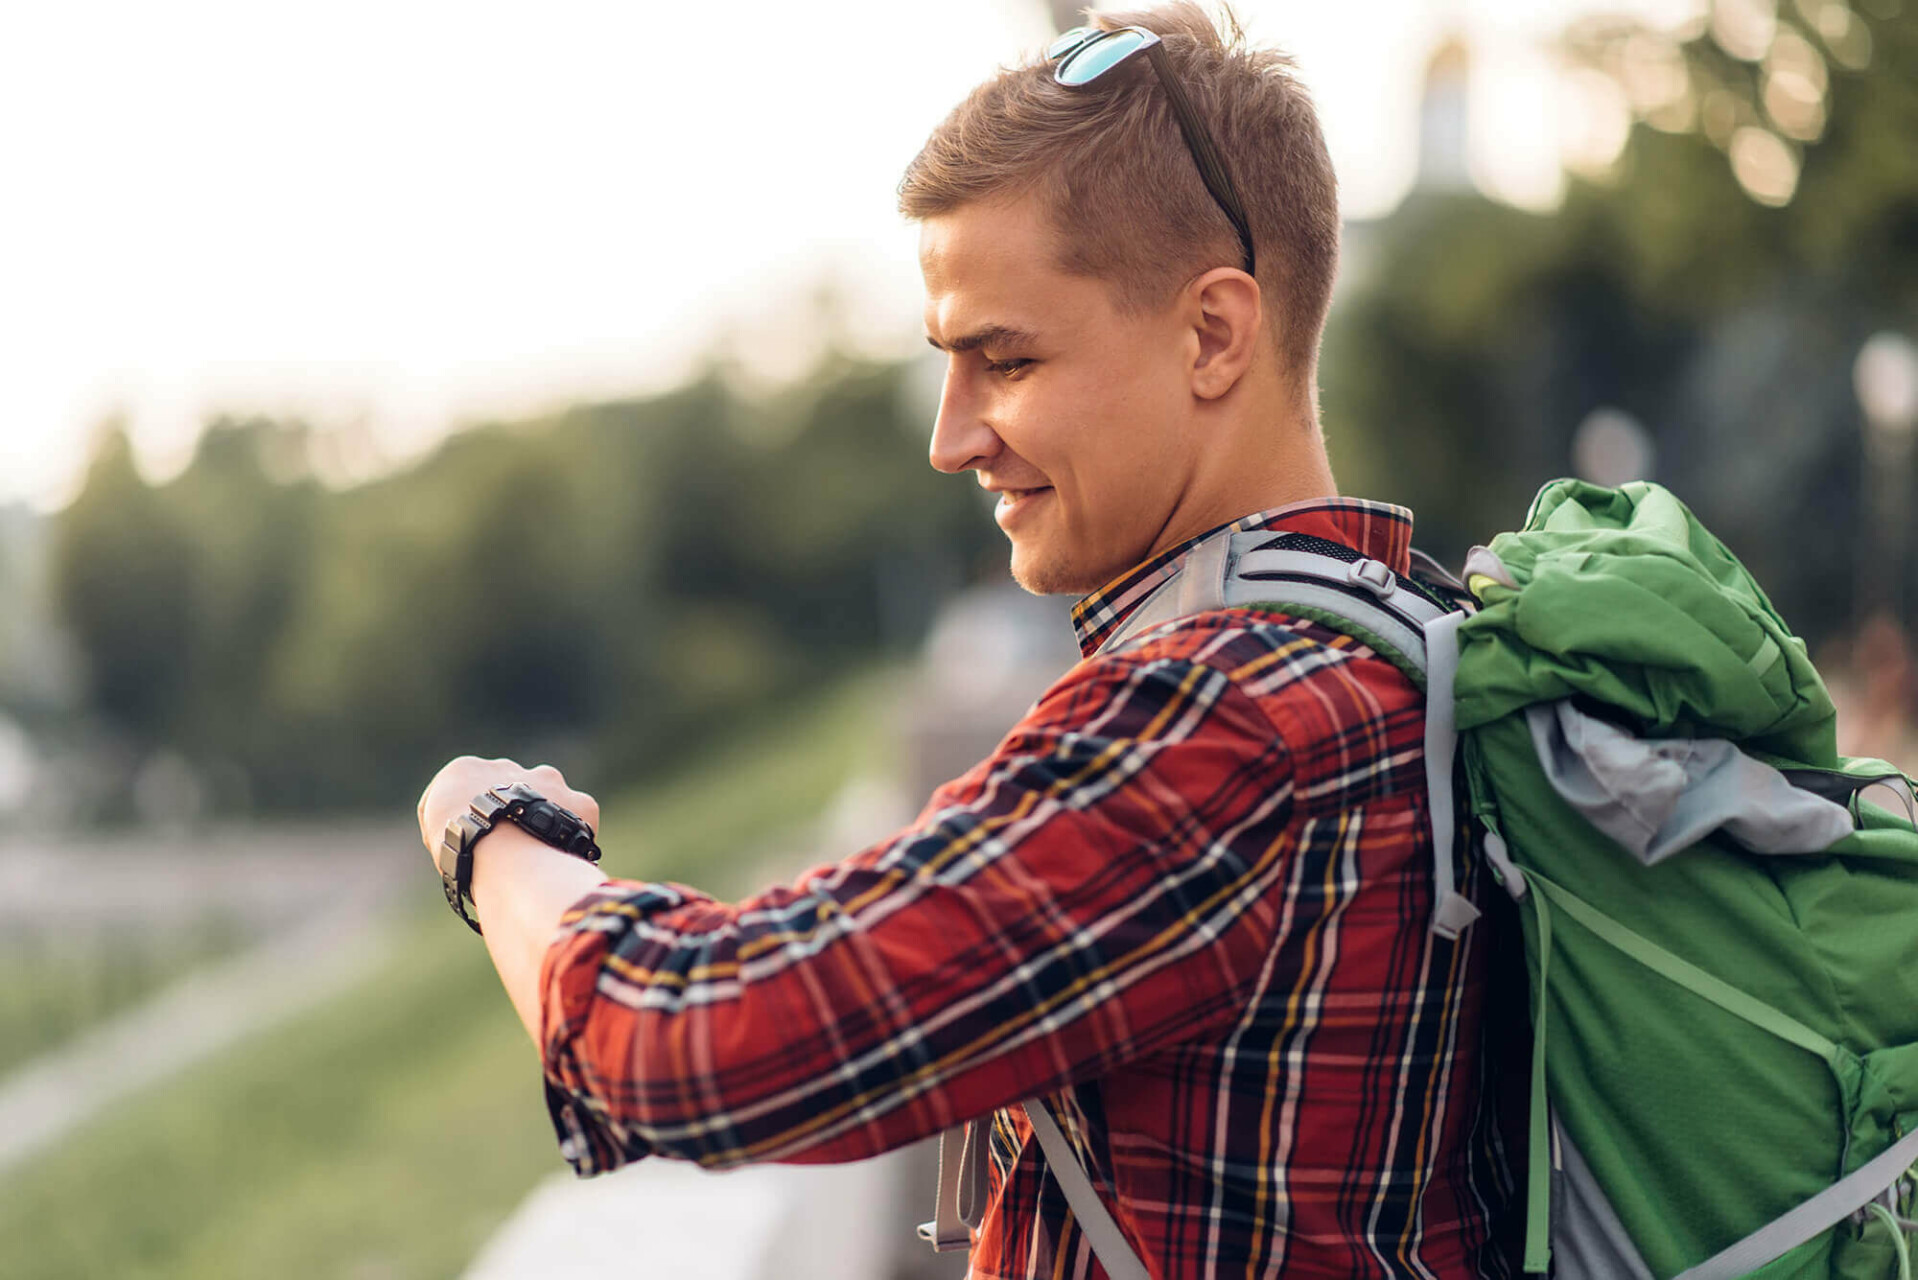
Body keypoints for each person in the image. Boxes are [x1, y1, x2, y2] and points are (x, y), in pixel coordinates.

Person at [416, 4, 1516, 1275]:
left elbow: (686, 1045)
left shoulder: (1213, 727)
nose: (953, 436)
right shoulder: (1406, 633)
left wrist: (493, 829)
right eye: (949, 361)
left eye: (1005, 358)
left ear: (1213, 333)